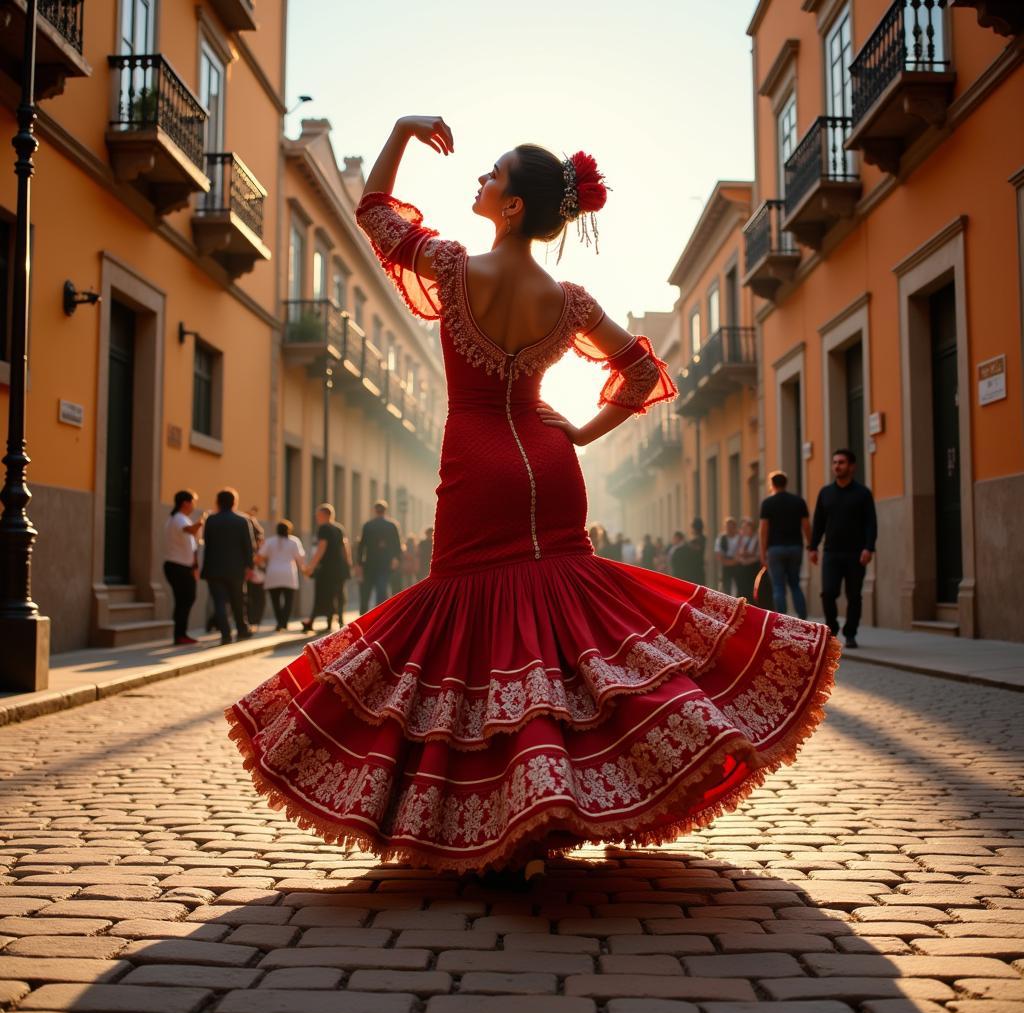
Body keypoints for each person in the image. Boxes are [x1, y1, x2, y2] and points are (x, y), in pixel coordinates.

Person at [225, 116, 838, 883]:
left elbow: (375, 210)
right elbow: (645, 373)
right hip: (548, 461)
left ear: (513, 208)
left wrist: (402, 132)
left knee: (476, 620)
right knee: (560, 620)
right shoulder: (570, 299)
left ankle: (504, 810)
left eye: (492, 176)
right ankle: (559, 800)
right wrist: (580, 433)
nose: (480, 181)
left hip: (478, 460)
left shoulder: (452, 269)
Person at [809, 448, 877, 649]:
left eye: (841, 462)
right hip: (831, 552)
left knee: (854, 595)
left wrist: (869, 548)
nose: (837, 466)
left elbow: (870, 523)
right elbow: (818, 522)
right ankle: (832, 627)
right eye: (835, 462)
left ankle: (850, 633)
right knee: (828, 593)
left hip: (856, 553)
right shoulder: (826, 493)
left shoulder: (863, 494)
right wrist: (813, 547)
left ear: (852, 466)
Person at [201, 488, 255, 645]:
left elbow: (207, 543)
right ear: (234, 502)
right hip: (236, 569)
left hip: (214, 568)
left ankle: (225, 634)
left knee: (218, 602)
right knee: (237, 600)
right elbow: (248, 546)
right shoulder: (242, 520)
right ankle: (242, 629)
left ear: (218, 502)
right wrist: (249, 566)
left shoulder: (211, 520)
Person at [758, 470, 810, 618]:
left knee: (778, 587)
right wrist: (811, 545)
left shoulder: (767, 503)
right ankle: (803, 618)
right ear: (785, 484)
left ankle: (782, 619)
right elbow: (806, 525)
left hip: (775, 549)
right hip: (795, 547)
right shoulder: (798, 501)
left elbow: (763, 530)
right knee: (795, 584)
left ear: (772, 484)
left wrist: (762, 552)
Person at [302, 504, 351, 632]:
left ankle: (323, 622)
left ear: (325, 515)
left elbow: (321, 548)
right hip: (340, 567)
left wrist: (311, 566)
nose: (316, 518)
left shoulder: (323, 528)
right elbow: (345, 547)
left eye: (318, 515)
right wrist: (348, 563)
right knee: (339, 594)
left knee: (323, 594)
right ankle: (339, 620)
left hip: (327, 568)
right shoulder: (339, 528)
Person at [164, 490, 203, 645]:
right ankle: (180, 635)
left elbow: (192, 547)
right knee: (184, 599)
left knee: (185, 599)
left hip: (183, 567)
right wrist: (202, 521)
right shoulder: (178, 519)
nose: (194, 505)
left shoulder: (182, 519)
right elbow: (191, 531)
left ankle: (181, 634)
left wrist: (194, 567)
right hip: (177, 566)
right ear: (185, 503)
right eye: (193, 501)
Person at [257, 520, 306, 631]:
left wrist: (261, 566)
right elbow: (300, 558)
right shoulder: (294, 541)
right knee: (289, 600)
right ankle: (284, 622)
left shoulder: (270, 541)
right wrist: (304, 570)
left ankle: (279, 622)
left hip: (273, 573)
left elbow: (259, 556)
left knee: (275, 601)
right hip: (288, 573)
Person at [246, 506, 267, 631]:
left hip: (248, 569)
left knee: (249, 596)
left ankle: (251, 620)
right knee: (258, 597)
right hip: (256, 569)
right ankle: (255, 620)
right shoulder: (258, 537)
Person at [734, 517, 760, 601]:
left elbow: (757, 555)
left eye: (746, 528)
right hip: (742, 567)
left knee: (751, 590)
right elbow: (738, 553)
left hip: (753, 567)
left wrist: (747, 559)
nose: (743, 530)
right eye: (742, 528)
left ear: (751, 528)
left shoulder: (757, 538)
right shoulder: (742, 538)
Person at [715, 517, 741, 596]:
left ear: (735, 527)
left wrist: (736, 561)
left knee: (739, 586)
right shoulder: (721, 538)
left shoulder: (740, 537)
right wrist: (728, 562)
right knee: (726, 586)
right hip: (726, 563)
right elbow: (718, 554)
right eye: (727, 527)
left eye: (731, 527)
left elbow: (742, 551)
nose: (729, 529)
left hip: (739, 564)